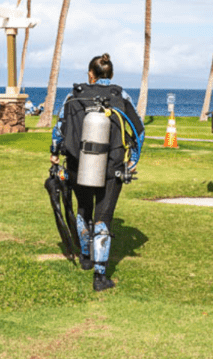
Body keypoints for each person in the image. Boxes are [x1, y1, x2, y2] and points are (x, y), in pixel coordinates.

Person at [50, 53, 145, 292]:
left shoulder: (74, 95)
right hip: (111, 167)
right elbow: (138, 130)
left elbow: (59, 128)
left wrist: (53, 153)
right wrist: (134, 159)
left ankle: (85, 257)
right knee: (104, 215)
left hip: (77, 163)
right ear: (110, 74)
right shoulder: (120, 96)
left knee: (83, 208)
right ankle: (100, 276)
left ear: (91, 75)